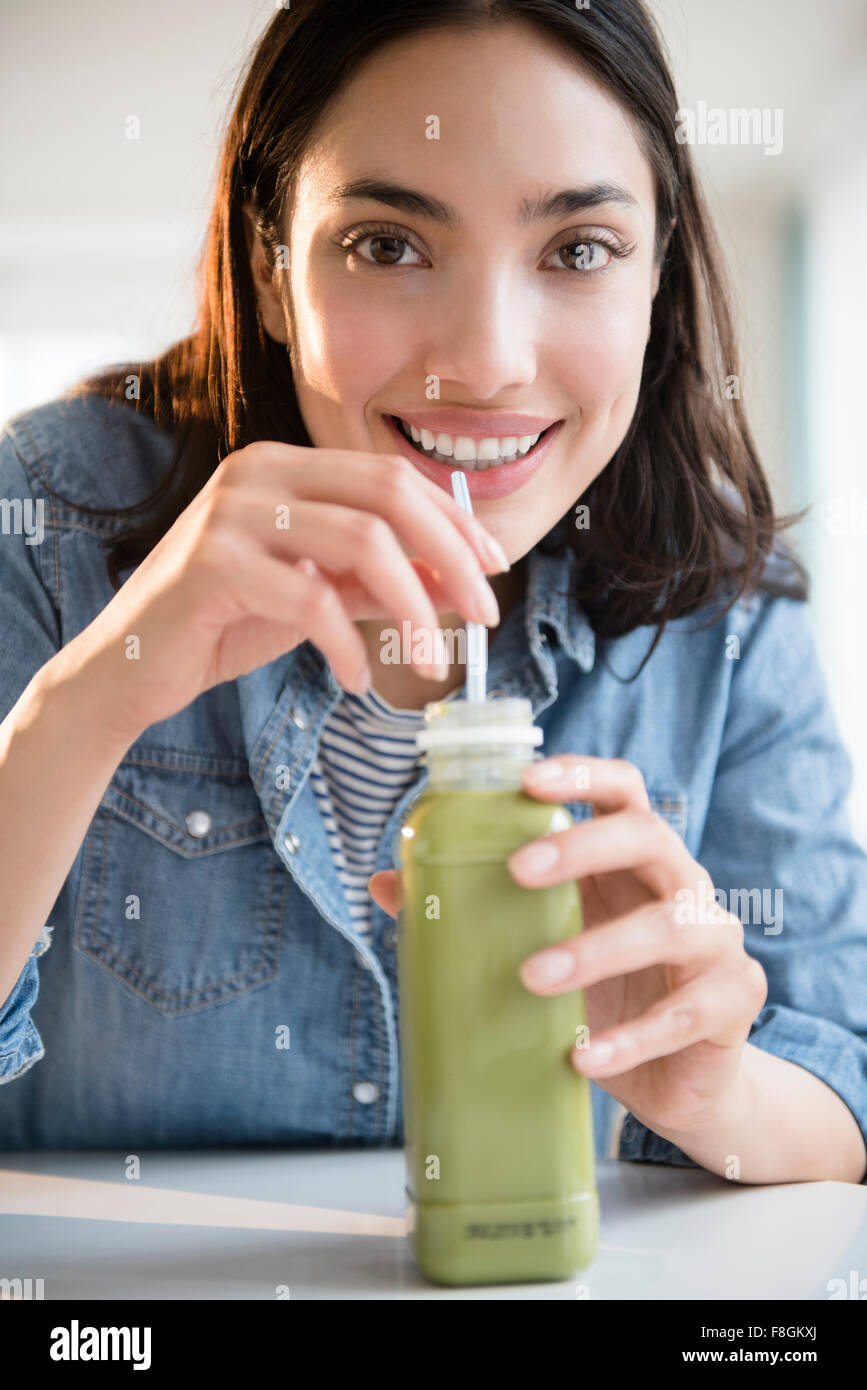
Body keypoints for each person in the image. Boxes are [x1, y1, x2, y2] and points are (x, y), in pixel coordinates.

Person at [0, 0, 865, 1186]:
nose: (489, 359)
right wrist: (84, 705)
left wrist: (718, 1086)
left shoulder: (730, 611)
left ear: (655, 278)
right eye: (387, 245)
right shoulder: (46, 516)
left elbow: (846, 1079)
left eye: (578, 250)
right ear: (268, 273)